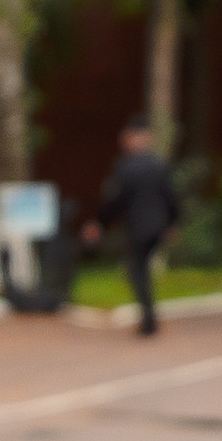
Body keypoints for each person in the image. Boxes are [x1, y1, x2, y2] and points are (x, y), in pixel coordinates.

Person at [90, 118, 181, 333]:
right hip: (158, 227)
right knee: (140, 269)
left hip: (139, 228)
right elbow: (171, 197)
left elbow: (115, 201)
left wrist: (99, 223)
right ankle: (149, 318)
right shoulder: (158, 164)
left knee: (137, 270)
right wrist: (172, 223)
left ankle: (149, 321)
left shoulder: (126, 168)